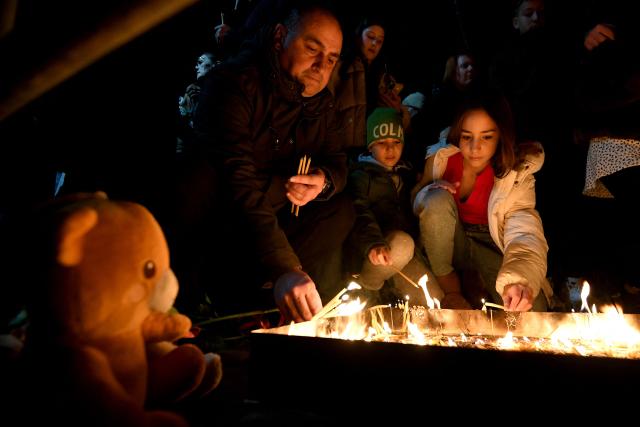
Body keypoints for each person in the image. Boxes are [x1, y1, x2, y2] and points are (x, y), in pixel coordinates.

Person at [190, 2, 354, 323]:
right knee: (197, 180)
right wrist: (285, 267)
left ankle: (283, 305)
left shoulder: (322, 105)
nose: (321, 66)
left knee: (341, 209)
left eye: (331, 59)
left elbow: (338, 161)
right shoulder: (234, 84)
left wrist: (323, 181)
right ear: (280, 37)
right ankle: (216, 298)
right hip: (230, 216)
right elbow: (237, 179)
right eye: (312, 49)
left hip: (279, 215)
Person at [411, 91, 553, 311]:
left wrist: (519, 279)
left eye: (486, 137)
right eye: (467, 136)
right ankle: (451, 289)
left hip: (490, 244)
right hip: (449, 241)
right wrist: (427, 192)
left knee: (532, 309)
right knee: (435, 199)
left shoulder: (515, 175)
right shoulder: (442, 159)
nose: (474, 147)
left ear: (501, 136)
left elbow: (524, 231)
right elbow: (417, 203)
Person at [347, 108, 443, 305]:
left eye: (396, 142)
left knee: (434, 300)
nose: (390, 150)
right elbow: (358, 211)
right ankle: (368, 291)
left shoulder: (405, 173)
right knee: (402, 244)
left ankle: (393, 292)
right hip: (375, 251)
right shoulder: (362, 175)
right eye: (382, 143)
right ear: (370, 146)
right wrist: (373, 244)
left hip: (405, 255)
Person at [328, 15, 409, 161]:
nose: (374, 43)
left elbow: (396, 123)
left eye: (379, 41)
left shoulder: (383, 77)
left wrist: (398, 112)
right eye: (370, 37)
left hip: (371, 154)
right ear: (359, 37)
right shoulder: (340, 68)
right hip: (339, 151)